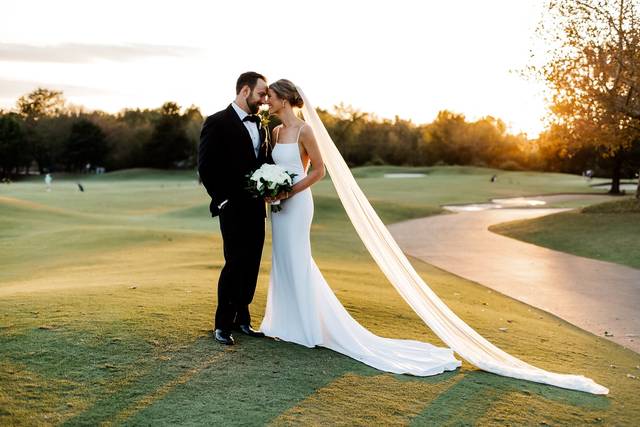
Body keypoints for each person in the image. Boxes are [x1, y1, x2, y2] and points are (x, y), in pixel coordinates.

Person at [259, 79, 461, 376]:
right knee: (282, 260)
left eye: (272, 97)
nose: (268, 101)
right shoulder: (275, 132)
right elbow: (274, 168)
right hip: (277, 207)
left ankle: (307, 329)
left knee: (299, 259)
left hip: (298, 203)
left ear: (286, 99)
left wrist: (289, 191)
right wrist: (271, 189)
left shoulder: (305, 130)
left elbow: (318, 170)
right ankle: (284, 324)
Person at [198, 72, 273, 346]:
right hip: (232, 207)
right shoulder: (217, 122)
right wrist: (222, 200)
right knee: (235, 263)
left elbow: (264, 162)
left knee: (252, 264)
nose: (265, 99)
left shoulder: (262, 125)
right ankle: (222, 324)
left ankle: (243, 320)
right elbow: (206, 167)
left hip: (257, 208)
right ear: (245, 91)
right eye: (261, 94)